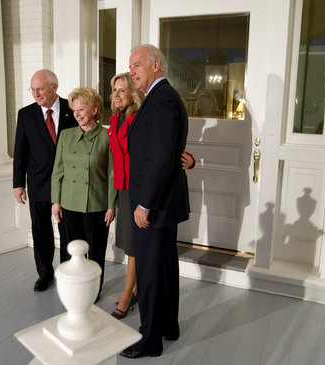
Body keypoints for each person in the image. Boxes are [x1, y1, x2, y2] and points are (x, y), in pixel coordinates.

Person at [120, 45, 190, 359]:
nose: (131, 71)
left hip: (155, 205)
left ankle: (150, 339)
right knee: (164, 267)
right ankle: (168, 327)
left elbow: (160, 158)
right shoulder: (161, 98)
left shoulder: (161, 100)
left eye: (136, 65)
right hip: (163, 204)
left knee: (150, 271)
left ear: (156, 65)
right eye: (130, 66)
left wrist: (144, 204)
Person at [107, 73, 195, 320]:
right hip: (124, 189)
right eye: (114, 90)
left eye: (122, 90)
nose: (116, 94)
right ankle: (136, 295)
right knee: (130, 246)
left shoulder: (141, 113)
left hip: (144, 192)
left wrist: (188, 160)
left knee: (142, 252)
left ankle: (130, 296)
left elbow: (160, 150)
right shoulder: (114, 121)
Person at [13, 69, 77, 292]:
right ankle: (45, 274)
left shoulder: (73, 108)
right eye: (32, 89)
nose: (36, 94)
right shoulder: (25, 114)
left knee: (67, 229)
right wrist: (18, 183)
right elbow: (20, 151)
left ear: (54, 88)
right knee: (41, 230)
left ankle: (68, 273)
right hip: (38, 183)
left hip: (68, 184)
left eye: (40, 89)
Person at [51, 87, 117, 298]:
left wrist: (111, 205)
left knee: (95, 252)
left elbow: (113, 174)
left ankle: (92, 291)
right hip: (68, 203)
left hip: (96, 205)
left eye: (81, 109)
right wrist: (56, 201)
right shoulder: (66, 135)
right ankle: (71, 290)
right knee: (70, 250)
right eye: (74, 110)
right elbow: (58, 170)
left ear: (95, 110)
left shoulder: (107, 136)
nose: (77, 114)